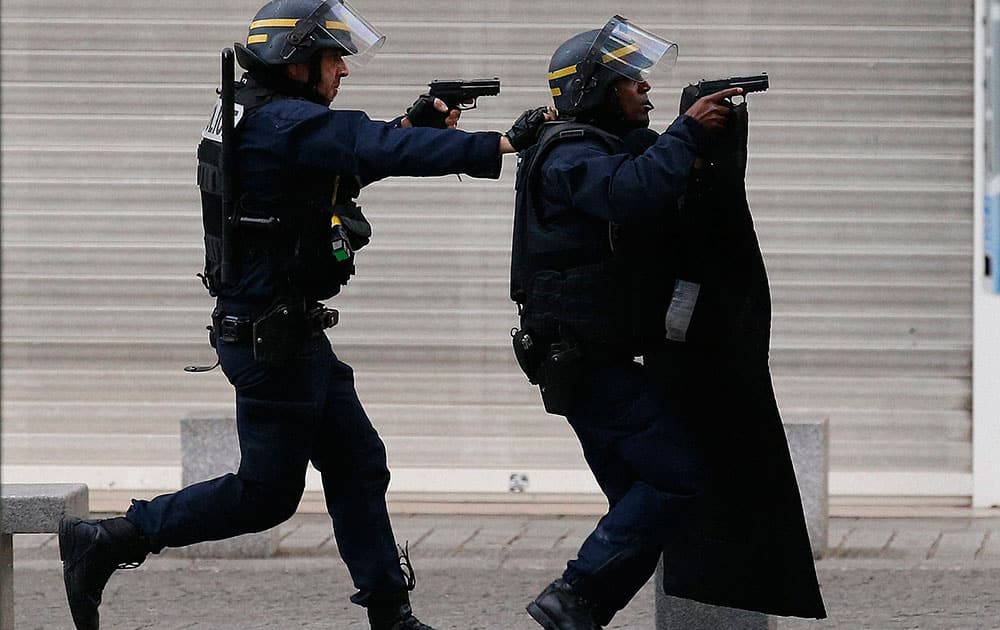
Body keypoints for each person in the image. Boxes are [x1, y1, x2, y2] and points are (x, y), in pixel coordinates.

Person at [57, 2, 549, 629]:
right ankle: (113, 539)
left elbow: (342, 160)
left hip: (284, 329)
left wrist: (411, 123)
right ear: (296, 62)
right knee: (264, 495)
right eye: (332, 57)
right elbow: (360, 144)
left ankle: (391, 615)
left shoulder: (259, 114)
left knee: (357, 464)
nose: (342, 69)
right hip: (272, 338)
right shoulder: (279, 122)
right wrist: (503, 142)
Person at [509, 16, 826, 629]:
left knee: (644, 497)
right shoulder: (569, 155)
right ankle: (575, 597)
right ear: (597, 89)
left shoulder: (598, 145)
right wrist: (684, 131)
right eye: (633, 83)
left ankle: (580, 609)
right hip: (587, 364)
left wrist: (700, 129)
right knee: (676, 480)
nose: (645, 92)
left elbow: (656, 168)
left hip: (596, 359)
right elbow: (631, 191)